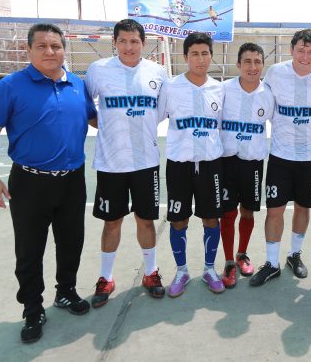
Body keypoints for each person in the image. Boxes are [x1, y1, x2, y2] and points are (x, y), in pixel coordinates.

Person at [0, 23, 96, 343]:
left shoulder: (77, 84)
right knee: (30, 249)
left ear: (64, 50)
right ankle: (32, 307)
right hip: (29, 183)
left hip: (72, 181)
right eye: (42, 46)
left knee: (71, 242)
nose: (50, 52)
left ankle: (66, 291)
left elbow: (95, 119)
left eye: (56, 46)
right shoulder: (12, 85)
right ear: (29, 50)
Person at [84, 19, 169, 308]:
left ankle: (150, 272)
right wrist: (107, 126)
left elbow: (161, 112)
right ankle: (106, 277)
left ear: (143, 44)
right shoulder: (99, 70)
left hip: (146, 162)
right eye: (123, 41)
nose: (129, 46)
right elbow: (86, 108)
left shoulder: (157, 72)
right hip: (111, 163)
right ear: (115, 43)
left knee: (146, 220)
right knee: (112, 222)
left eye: (134, 41)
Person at [250, 29, 311, 286]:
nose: (305, 56)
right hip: (281, 155)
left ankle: (294, 255)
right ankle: (271, 263)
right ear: (292, 50)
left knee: (303, 207)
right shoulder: (276, 73)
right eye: (301, 50)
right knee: (275, 209)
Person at [159, 32, 226, 297]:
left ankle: (210, 269)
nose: (200, 59)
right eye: (194, 54)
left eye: (205, 53)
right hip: (179, 165)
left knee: (211, 217)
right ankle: (182, 270)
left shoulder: (219, 88)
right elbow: (154, 118)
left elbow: (221, 126)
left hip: (211, 165)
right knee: (179, 220)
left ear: (212, 56)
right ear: (185, 57)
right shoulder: (171, 87)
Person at [218, 42, 275, 288]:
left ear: (263, 65)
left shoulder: (269, 94)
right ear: (238, 64)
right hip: (226, 160)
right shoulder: (222, 90)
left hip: (252, 162)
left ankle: (242, 254)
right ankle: (229, 261)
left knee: (248, 211)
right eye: (247, 62)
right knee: (228, 212)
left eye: (257, 62)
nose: (253, 67)